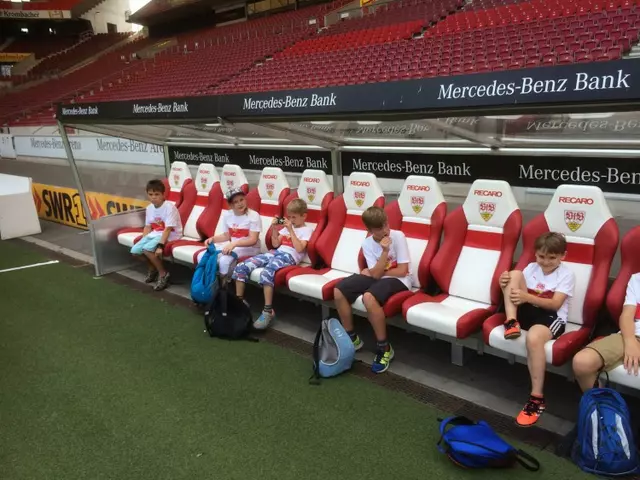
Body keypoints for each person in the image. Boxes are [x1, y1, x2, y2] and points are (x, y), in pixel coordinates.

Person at [500, 232, 575, 427]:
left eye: (552, 258)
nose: (546, 262)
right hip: (527, 311)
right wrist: (505, 284)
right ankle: (511, 321)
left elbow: (555, 304)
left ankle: (536, 398)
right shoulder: (531, 268)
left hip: (551, 317)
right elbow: (515, 289)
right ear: (535, 254)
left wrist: (527, 298)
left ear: (562, 256)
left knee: (533, 338)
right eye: (542, 257)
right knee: (513, 275)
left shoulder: (566, 274)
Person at [333, 206, 411, 374]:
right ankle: (351, 338)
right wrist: (380, 261)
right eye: (379, 228)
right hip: (378, 278)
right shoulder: (367, 243)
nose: (385, 231)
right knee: (339, 289)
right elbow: (375, 275)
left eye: (386, 225)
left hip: (400, 281)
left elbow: (403, 270)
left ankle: (384, 348)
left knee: (369, 297)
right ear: (369, 230)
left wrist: (379, 265)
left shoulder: (398, 236)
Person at [232, 198, 313, 329]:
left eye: (294, 217)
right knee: (242, 266)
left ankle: (268, 310)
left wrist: (291, 230)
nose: (291, 220)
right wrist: (275, 229)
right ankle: (239, 302)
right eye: (289, 217)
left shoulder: (306, 230)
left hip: (289, 257)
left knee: (267, 272)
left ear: (304, 216)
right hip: (275, 252)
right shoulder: (286, 229)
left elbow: (299, 248)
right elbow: (275, 244)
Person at [573, 273, 640, 392]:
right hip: (633, 334)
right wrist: (630, 342)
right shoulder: (637, 279)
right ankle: (601, 407)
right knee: (582, 361)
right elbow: (627, 315)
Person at [131, 179, 182, 291]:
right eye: (151, 194)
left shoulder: (169, 207)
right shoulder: (149, 208)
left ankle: (163, 274)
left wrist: (160, 246)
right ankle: (152, 267)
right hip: (157, 233)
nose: (153, 197)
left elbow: (168, 229)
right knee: (135, 251)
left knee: (147, 249)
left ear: (163, 194)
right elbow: (148, 226)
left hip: (171, 234)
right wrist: (143, 240)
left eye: (157, 194)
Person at [204, 188, 261, 276]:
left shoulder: (253, 215)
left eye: (242, 200)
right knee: (208, 255)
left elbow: (253, 240)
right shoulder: (227, 215)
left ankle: (225, 286)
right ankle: (212, 283)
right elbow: (226, 236)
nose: (240, 204)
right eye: (235, 202)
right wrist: (212, 239)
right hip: (234, 245)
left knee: (224, 260)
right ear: (230, 205)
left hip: (251, 248)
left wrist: (234, 244)